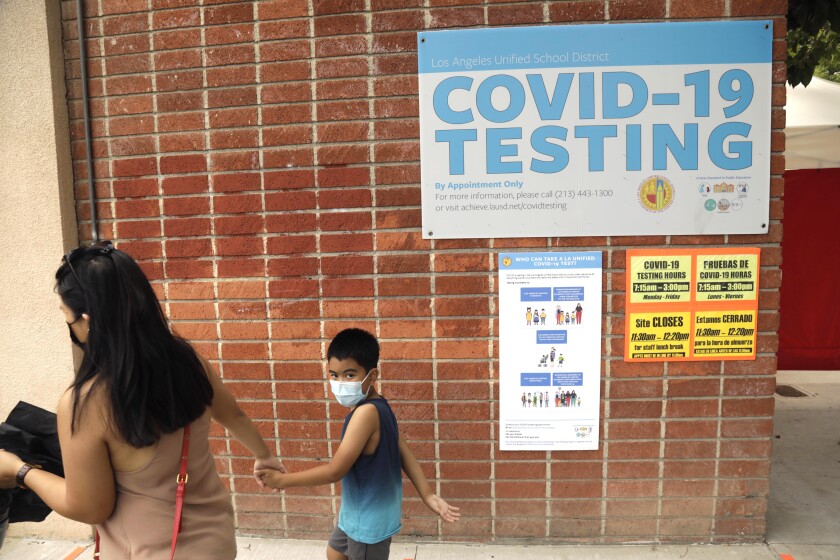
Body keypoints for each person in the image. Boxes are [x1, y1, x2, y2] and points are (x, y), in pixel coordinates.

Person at [0, 241, 283, 559]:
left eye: (67, 317)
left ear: (88, 319)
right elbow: (234, 416)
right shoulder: (187, 360)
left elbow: (91, 507)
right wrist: (263, 456)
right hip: (215, 543)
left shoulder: (85, 403)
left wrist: (21, 470)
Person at [256, 328, 458, 560]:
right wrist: (428, 494)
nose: (340, 383)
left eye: (350, 375)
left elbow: (335, 471)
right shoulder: (379, 404)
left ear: (371, 376)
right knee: (335, 553)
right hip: (356, 514)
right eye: (334, 375)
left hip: (367, 522)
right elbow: (403, 449)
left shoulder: (366, 414)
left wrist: (283, 480)